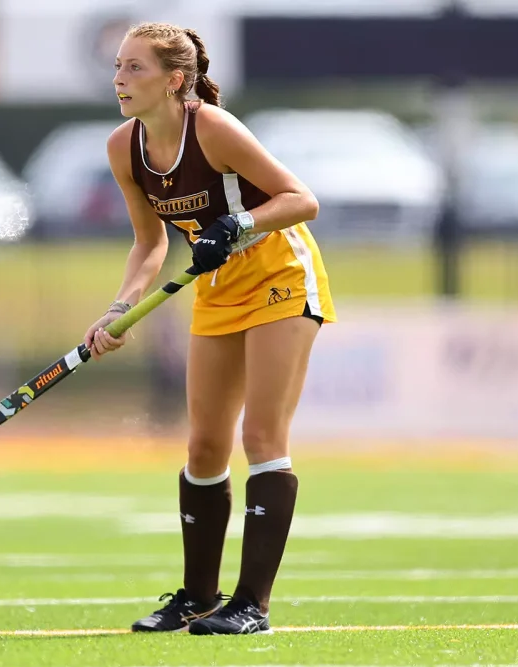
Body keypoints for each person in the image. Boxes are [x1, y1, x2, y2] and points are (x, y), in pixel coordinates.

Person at [83, 21, 335, 635]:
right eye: (118, 66)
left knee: (262, 435)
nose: (120, 78)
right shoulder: (124, 148)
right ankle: (197, 597)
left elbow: (301, 199)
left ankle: (252, 605)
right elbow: (149, 243)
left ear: (175, 80)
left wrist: (240, 223)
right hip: (219, 287)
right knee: (203, 446)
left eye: (135, 67)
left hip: (280, 277)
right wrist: (120, 308)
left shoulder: (213, 129)